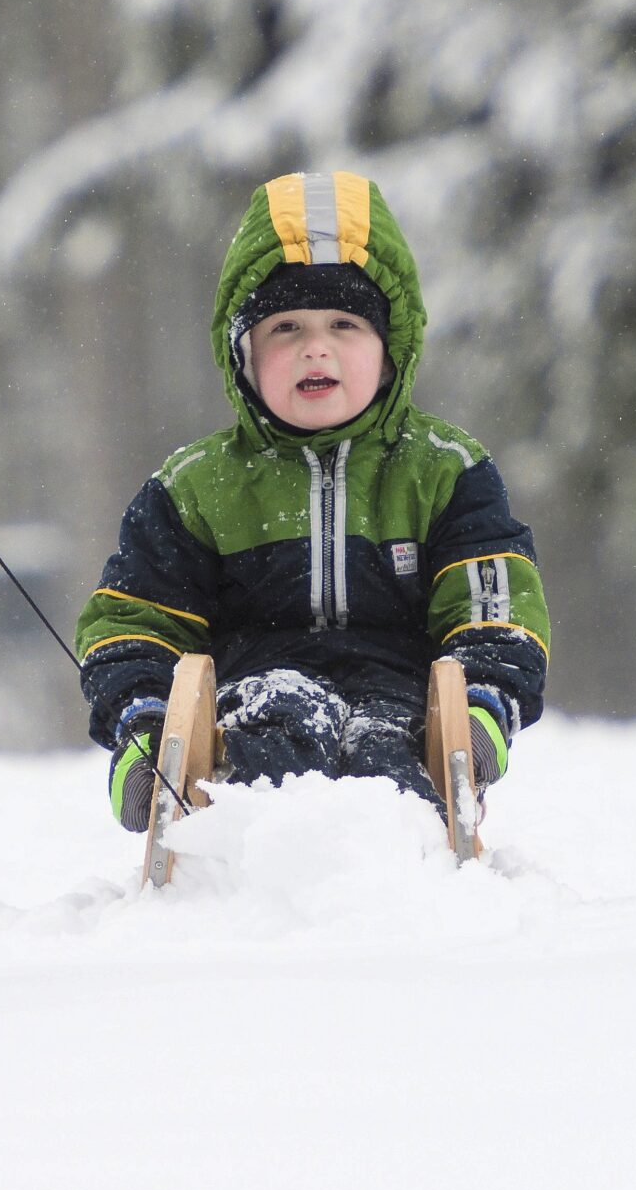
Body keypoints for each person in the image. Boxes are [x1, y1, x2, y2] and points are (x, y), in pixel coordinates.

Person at [74, 171, 552, 826]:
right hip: (251, 697)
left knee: (386, 754)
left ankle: (399, 851)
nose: (315, 347)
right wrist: (147, 725)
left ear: (389, 352)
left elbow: (493, 606)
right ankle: (251, 849)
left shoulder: (446, 473)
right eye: (287, 327)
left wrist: (480, 710)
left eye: (344, 323)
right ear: (243, 354)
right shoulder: (195, 488)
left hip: (403, 697)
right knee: (276, 731)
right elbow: (136, 621)